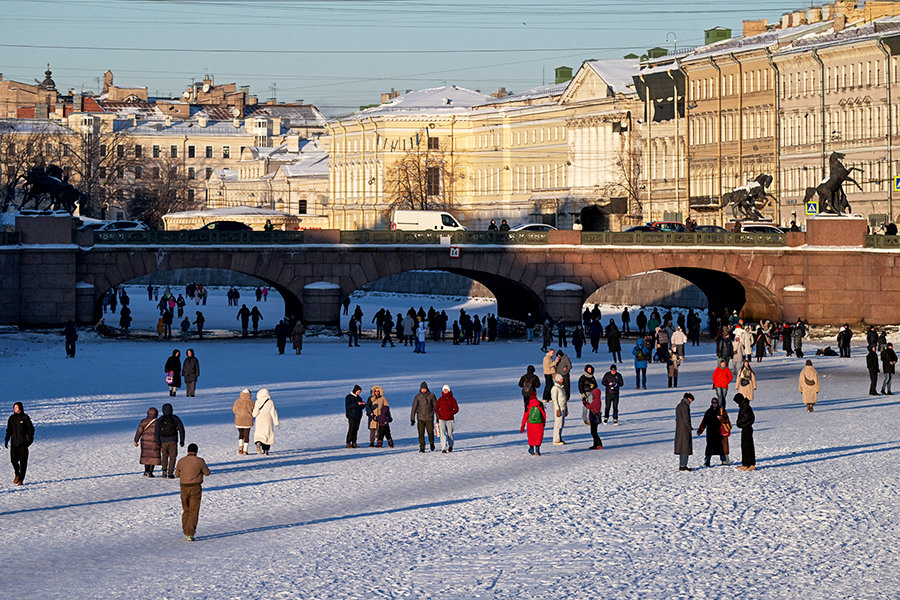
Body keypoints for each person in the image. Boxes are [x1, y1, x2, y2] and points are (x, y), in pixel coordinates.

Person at [174, 443, 210, 542]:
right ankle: (190, 533)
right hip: (195, 487)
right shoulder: (200, 461)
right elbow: (207, 473)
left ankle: (185, 530)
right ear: (196, 451)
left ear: (188, 451)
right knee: (194, 511)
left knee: (186, 510)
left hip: (183, 487)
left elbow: (177, 474)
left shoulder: (181, 461)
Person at [5, 402, 34, 485]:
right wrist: (7, 439)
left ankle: (21, 480)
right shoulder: (11, 418)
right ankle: (17, 474)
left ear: (20, 408)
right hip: (14, 443)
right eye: (14, 407)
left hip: (23, 444)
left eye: (16, 407)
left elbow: (31, 429)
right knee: (13, 460)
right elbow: (9, 430)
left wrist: (29, 440)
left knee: (23, 462)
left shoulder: (25, 417)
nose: (15, 409)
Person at [154, 403, 185, 479]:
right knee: (173, 456)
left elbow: (156, 432)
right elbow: (181, 429)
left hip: (163, 441)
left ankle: (164, 469)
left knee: (164, 456)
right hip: (173, 440)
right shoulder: (175, 418)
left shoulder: (160, 419)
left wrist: (158, 442)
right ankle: (170, 472)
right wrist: (182, 440)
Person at [696, 398, 729, 467]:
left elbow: (727, 421)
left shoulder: (722, 411)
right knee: (709, 447)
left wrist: (721, 418)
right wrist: (700, 430)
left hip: (720, 432)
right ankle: (707, 461)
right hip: (711, 432)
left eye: (716, 402)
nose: (715, 404)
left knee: (722, 447)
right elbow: (704, 422)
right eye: (713, 402)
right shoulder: (708, 411)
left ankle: (725, 460)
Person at [134, 406, 161, 478]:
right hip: (154, 442)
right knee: (153, 456)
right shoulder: (158, 422)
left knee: (146, 456)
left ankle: (146, 471)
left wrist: (135, 440)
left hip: (145, 442)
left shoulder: (143, 421)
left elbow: (139, 431)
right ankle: (151, 472)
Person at [411, 382, 437, 453]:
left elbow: (436, 407)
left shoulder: (431, 396)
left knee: (430, 432)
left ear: (427, 388)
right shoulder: (417, 397)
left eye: (424, 389)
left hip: (429, 417)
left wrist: (437, 417)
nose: (423, 390)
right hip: (420, 417)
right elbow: (414, 407)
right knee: (421, 433)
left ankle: (432, 443)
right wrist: (412, 418)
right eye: (422, 389)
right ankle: (422, 447)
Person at [252, 388, 279, 455]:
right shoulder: (270, 402)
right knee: (268, 435)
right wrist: (276, 423)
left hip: (259, 420)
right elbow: (273, 413)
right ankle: (266, 451)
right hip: (268, 420)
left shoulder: (257, 402)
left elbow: (255, 414)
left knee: (259, 434)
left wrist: (253, 414)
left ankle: (258, 443)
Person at [734, 393, 756, 471]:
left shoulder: (745, 406)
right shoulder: (743, 405)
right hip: (745, 428)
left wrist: (739, 422)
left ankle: (751, 464)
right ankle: (745, 463)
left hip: (747, 428)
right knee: (744, 446)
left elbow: (747, 417)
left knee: (748, 446)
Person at [520, 391, 546, 456]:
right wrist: (544, 422)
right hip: (539, 423)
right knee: (538, 437)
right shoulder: (539, 404)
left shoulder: (528, 405)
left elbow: (525, 416)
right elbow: (543, 414)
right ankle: (537, 450)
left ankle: (531, 449)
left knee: (531, 436)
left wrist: (522, 426)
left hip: (530, 424)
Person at [435, 384, 459, 453]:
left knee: (450, 433)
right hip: (441, 419)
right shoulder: (440, 399)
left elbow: (456, 409)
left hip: (450, 419)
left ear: (449, 390)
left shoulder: (452, 399)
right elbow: (436, 408)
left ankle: (450, 446)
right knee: (442, 433)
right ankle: (443, 448)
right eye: (444, 389)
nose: (445, 390)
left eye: (446, 389)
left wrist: (450, 413)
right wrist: (440, 413)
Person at [674, 392, 695, 472]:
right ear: (688, 398)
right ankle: (683, 465)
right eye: (691, 400)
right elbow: (686, 419)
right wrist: (690, 428)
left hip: (679, 429)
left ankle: (682, 464)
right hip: (685, 429)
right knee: (685, 448)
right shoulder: (685, 406)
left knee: (681, 447)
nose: (691, 402)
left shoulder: (679, 405)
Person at [232, 389, 254, 455]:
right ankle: (245, 450)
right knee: (246, 435)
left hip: (239, 420)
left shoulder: (237, 401)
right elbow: (254, 411)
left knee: (241, 434)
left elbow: (234, 410)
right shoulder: (252, 402)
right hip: (248, 421)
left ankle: (240, 446)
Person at [550, 375, 568, 445]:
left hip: (563, 408)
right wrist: (557, 409)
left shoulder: (561, 388)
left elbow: (564, 399)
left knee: (561, 424)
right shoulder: (555, 388)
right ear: (557, 380)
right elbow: (554, 400)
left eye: (562, 379)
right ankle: (556, 439)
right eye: (560, 379)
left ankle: (559, 438)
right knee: (558, 425)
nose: (562, 380)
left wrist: (566, 409)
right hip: (559, 409)